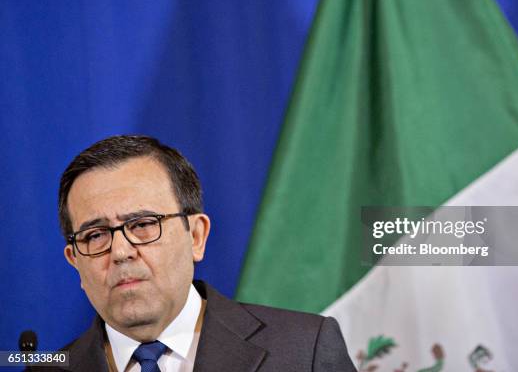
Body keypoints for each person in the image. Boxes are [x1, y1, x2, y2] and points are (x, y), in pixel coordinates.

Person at [57, 135, 356, 372]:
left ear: (197, 236)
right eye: (95, 235)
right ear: (75, 261)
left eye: (143, 224)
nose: (121, 252)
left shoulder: (305, 350)